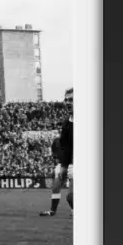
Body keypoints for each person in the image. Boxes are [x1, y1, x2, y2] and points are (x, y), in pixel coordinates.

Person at [40, 88, 73, 216]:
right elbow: (65, 147)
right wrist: (64, 165)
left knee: (71, 197)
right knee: (56, 186)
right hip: (67, 162)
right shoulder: (66, 123)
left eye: (71, 100)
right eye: (66, 100)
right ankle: (53, 211)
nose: (68, 102)